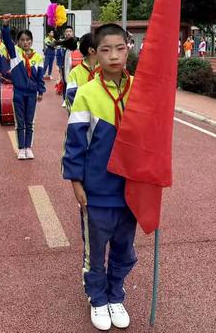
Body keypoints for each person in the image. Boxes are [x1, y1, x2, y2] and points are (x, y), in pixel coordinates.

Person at [62, 23, 136, 331]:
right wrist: (76, 181)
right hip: (97, 190)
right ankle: (98, 298)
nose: (114, 56)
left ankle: (115, 294)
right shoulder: (87, 94)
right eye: (105, 50)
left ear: (129, 48)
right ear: (95, 54)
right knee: (95, 250)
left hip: (132, 189)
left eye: (119, 48)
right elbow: (75, 142)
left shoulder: (140, 90)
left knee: (124, 248)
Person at [2, 14, 45, 160]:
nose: (25, 42)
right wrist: (6, 26)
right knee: (20, 122)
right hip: (19, 93)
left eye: (28, 40)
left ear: (31, 41)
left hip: (32, 94)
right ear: (18, 42)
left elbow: (40, 77)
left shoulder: (38, 57)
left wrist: (41, 91)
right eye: (22, 40)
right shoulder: (15, 55)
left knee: (30, 121)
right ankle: (21, 149)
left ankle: (28, 147)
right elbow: (7, 40)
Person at [65, 32, 98, 114]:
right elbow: (70, 98)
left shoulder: (105, 70)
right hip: (82, 119)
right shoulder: (75, 73)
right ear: (92, 50)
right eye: (103, 48)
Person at [56, 26, 76, 100]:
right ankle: (66, 100)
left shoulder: (76, 43)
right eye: (67, 31)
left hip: (75, 67)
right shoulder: (61, 44)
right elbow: (58, 57)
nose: (68, 33)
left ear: (73, 33)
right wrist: (60, 69)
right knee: (65, 83)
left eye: (70, 31)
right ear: (64, 33)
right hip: (64, 68)